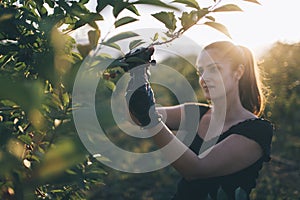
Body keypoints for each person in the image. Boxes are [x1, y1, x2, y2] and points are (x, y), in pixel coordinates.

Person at [125, 41, 274, 199]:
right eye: (200, 71)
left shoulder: (258, 131)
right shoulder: (195, 112)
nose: (204, 78)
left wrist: (151, 121)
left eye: (214, 69)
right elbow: (136, 117)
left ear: (238, 72)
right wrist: (138, 79)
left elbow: (196, 170)